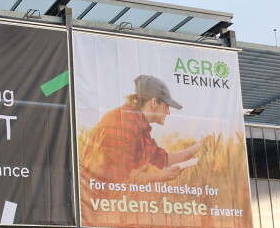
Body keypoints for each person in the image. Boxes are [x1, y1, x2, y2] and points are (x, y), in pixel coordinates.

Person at [80, 74, 211, 186]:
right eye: (166, 106)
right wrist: (160, 177)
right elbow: (123, 174)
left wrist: (197, 147)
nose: (168, 112)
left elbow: (162, 159)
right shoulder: (123, 121)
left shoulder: (138, 123)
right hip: (97, 204)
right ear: (154, 102)